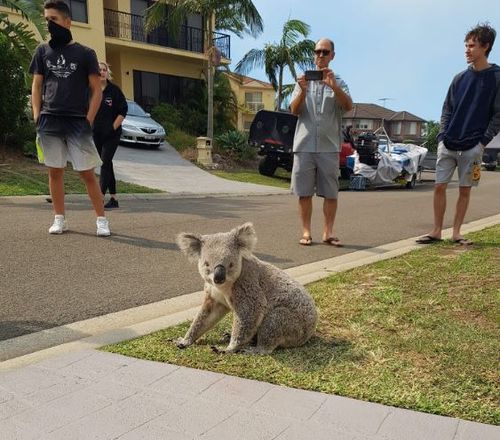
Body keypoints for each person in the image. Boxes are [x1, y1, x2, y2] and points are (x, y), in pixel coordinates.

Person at [30, 0, 110, 236]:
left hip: (77, 121)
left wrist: (89, 118)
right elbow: (36, 86)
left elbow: (96, 89)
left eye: (53, 19)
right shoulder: (42, 51)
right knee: (54, 171)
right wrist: (37, 115)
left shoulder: (86, 54)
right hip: (49, 119)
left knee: (87, 173)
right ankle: (59, 218)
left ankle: (101, 220)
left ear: (67, 21)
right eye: (46, 19)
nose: (48, 23)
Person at [416, 23, 499, 246]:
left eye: (472, 46)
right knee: (439, 186)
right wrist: (442, 136)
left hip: (473, 146)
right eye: (466, 45)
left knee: (465, 190)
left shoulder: (497, 78)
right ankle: (436, 231)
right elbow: (447, 109)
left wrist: (483, 142)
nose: (467, 50)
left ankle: (456, 232)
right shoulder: (459, 78)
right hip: (449, 142)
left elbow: (498, 115)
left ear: (486, 46)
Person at [289, 38, 353, 246]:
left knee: (331, 193)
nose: (320, 56)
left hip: (328, 146)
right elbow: (294, 110)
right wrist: (303, 90)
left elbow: (348, 106)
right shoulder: (303, 81)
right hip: (304, 145)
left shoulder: (339, 81)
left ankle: (328, 232)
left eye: (325, 52)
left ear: (332, 55)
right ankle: (306, 232)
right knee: (304, 192)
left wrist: (334, 87)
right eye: (317, 52)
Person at [93, 61, 128, 209]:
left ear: (107, 73)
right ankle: (114, 199)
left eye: (104, 70)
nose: (102, 72)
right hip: (96, 133)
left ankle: (100, 197)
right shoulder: (92, 90)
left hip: (112, 134)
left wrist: (112, 128)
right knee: (108, 164)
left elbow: (122, 111)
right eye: (99, 70)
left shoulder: (114, 91)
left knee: (105, 162)